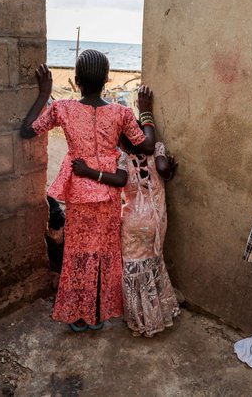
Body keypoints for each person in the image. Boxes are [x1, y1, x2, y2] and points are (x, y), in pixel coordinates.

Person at [20, 51, 155, 332]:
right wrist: (146, 110)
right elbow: (146, 146)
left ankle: (78, 315)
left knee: (78, 254)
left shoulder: (63, 109)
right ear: (107, 80)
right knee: (105, 253)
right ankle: (99, 313)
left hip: (79, 194)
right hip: (108, 194)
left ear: (76, 80)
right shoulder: (122, 113)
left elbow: (28, 130)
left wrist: (44, 93)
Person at [119, 97, 181, 338]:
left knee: (134, 269)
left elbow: (120, 182)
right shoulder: (156, 150)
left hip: (133, 220)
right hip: (157, 219)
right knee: (154, 263)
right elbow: (164, 170)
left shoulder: (122, 159)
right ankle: (160, 314)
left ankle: (140, 320)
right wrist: (169, 170)